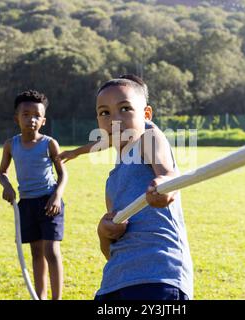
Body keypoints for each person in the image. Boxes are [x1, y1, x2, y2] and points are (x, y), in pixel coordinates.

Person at [88, 75, 193, 300]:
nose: (114, 120)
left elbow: (168, 176)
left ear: (146, 115)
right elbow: (110, 251)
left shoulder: (149, 138)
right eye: (104, 113)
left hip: (158, 276)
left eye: (125, 109)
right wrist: (103, 232)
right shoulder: (112, 181)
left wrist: (163, 187)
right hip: (113, 283)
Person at [0, 90, 68, 300]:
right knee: (36, 253)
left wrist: (56, 196)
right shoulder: (11, 145)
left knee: (51, 251)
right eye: (26, 114)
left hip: (49, 202)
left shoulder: (49, 143)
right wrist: (7, 185)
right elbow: (2, 173)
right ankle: (41, 297)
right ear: (16, 118)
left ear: (43, 120)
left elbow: (63, 174)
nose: (31, 119)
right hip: (26, 205)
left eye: (37, 115)